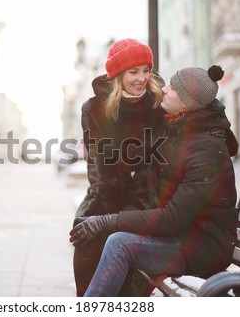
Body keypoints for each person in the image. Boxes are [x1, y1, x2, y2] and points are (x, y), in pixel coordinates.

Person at [69, 65, 239, 296]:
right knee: (107, 239)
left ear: (188, 103)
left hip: (202, 247)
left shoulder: (205, 151)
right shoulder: (182, 131)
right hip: (184, 235)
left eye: (173, 88)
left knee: (120, 243)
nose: (164, 90)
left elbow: (171, 219)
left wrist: (108, 221)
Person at [73, 38, 167, 297]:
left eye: (146, 70)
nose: (141, 78)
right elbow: (100, 170)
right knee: (88, 242)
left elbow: (155, 167)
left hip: (146, 203)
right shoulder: (94, 109)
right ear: (117, 75)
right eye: (133, 72)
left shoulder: (159, 105)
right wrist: (102, 218)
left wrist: (128, 214)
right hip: (107, 196)